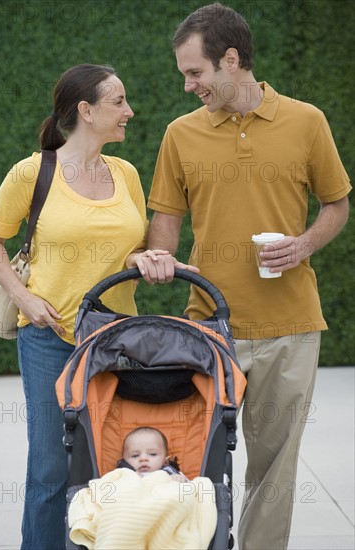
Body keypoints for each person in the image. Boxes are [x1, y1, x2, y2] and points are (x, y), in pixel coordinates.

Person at [143, 4, 352, 549]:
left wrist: (304, 242)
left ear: (231, 60)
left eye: (196, 73)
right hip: (210, 325)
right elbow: (164, 223)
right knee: (196, 462)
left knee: (274, 471)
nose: (189, 85)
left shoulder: (307, 121)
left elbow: (336, 205)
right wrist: (160, 261)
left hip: (291, 325)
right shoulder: (179, 135)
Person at [0, 63, 178, 550]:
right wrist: (25, 298)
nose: (130, 112)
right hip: (49, 338)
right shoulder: (33, 172)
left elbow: (128, 247)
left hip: (115, 340)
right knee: (50, 466)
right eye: (119, 103)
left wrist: (144, 258)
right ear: (85, 111)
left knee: (107, 460)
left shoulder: (124, 173)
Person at [118, 426, 188, 482]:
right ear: (124, 460)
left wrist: (178, 480)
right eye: (135, 455)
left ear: (166, 461)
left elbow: (189, 488)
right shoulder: (121, 474)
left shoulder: (171, 474)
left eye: (152, 454)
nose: (143, 458)